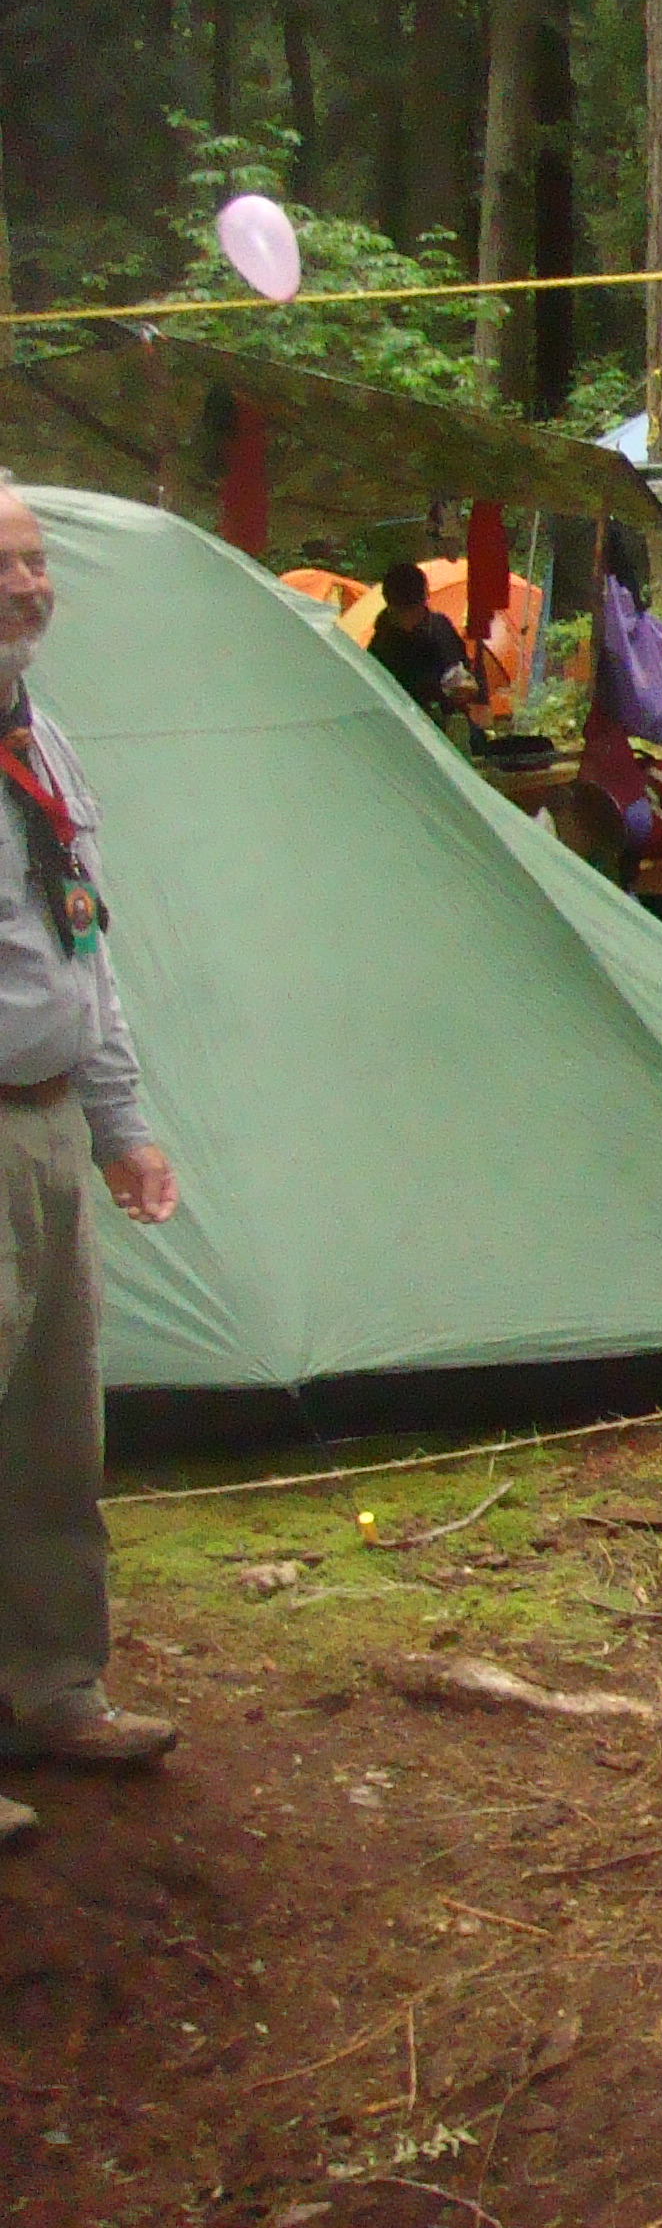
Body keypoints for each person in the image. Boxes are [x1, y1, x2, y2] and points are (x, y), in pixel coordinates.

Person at [0, 479, 183, 1850]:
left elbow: (83, 939)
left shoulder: (39, 737)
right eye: (0, 566)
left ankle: (50, 1688)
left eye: (34, 560)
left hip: (50, 1123)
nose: (26, 586)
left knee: (55, 1430)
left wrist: (118, 1124)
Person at [364, 562, 476, 727]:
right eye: (402, 613)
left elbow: (463, 672)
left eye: (414, 611)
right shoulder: (380, 646)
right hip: (401, 728)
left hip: (448, 725)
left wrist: (467, 688)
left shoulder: (441, 628)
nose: (409, 622)